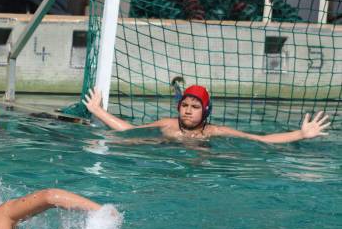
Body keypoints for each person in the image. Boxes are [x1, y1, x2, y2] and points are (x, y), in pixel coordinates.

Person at [83, 85, 331, 144]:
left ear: (206, 111)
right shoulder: (167, 125)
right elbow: (128, 130)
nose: (188, 110)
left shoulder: (215, 132)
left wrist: (301, 133)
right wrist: (97, 110)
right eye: (185, 105)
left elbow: (262, 140)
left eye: (195, 106)